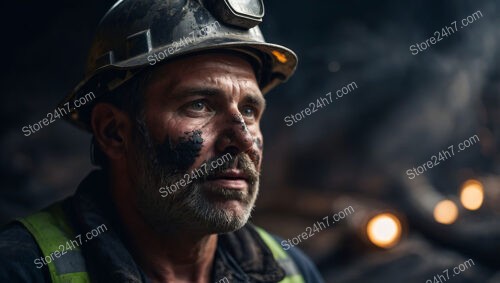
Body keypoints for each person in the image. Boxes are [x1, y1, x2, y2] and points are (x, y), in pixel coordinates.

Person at [0, 0, 324, 282]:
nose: (243, 141)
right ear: (113, 132)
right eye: (199, 105)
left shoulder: (291, 270)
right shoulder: (21, 269)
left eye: (249, 110)